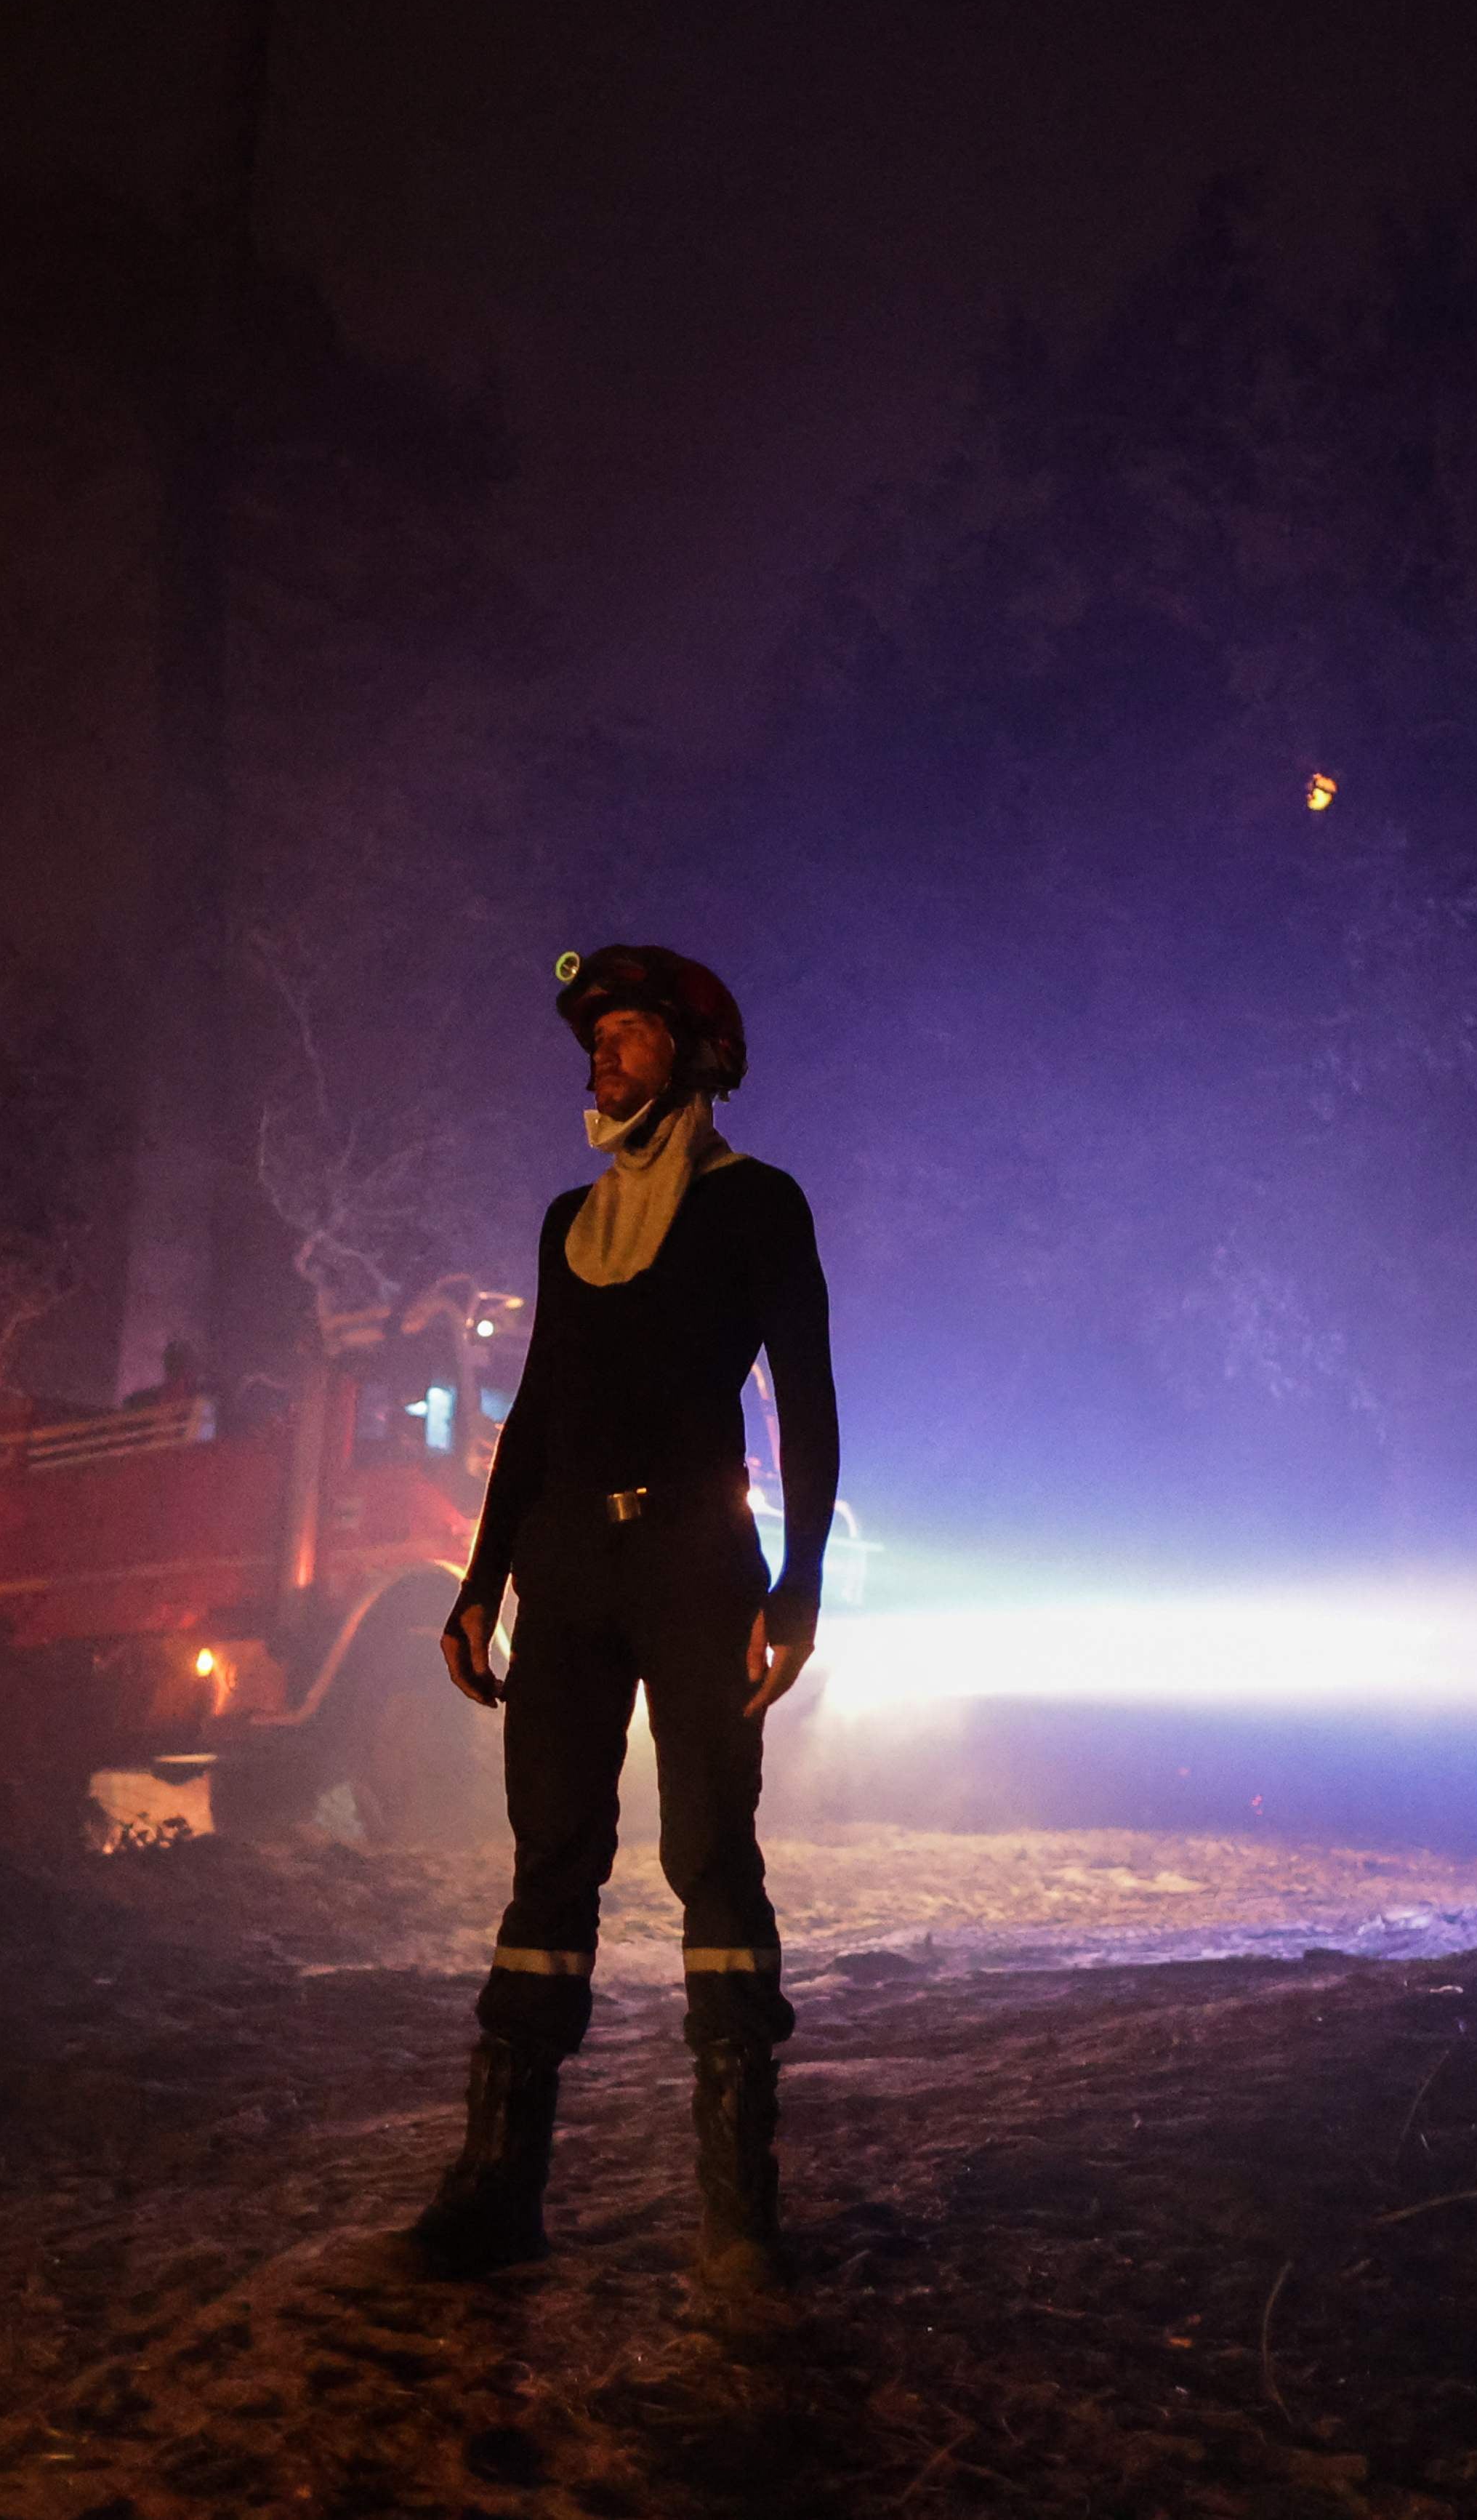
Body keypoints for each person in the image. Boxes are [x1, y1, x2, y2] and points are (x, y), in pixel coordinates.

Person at [403, 942, 838, 2293]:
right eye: (597, 1033)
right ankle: (497, 2185)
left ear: (695, 1058)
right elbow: (534, 1410)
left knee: (711, 1856)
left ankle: (737, 2208)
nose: (604, 1049)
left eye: (633, 1029)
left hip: (697, 1563)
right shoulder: (566, 1222)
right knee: (550, 1863)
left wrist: (801, 1578)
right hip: (567, 1569)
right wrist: (482, 1583)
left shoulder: (758, 1206)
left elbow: (811, 1403)